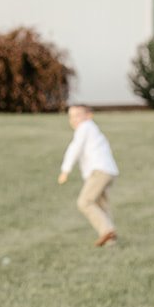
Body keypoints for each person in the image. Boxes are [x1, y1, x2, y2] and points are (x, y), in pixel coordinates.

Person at [58, 104, 118, 246]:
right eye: (71, 116)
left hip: (99, 171)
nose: (74, 119)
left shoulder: (85, 127)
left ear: (89, 115)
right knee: (101, 205)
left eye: (78, 115)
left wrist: (65, 169)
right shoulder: (93, 130)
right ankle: (110, 241)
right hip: (108, 171)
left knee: (85, 202)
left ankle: (107, 230)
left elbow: (75, 148)